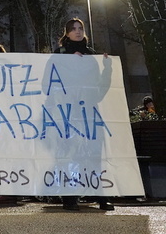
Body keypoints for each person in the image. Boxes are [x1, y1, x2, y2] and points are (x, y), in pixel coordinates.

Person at [54, 18, 114, 212]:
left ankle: (101, 196)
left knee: (94, 154)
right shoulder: (59, 54)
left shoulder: (91, 55)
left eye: (80, 29)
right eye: (73, 29)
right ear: (67, 33)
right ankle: (70, 197)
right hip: (68, 112)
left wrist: (107, 68)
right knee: (69, 153)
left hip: (88, 111)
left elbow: (99, 88)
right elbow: (50, 81)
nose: (78, 32)